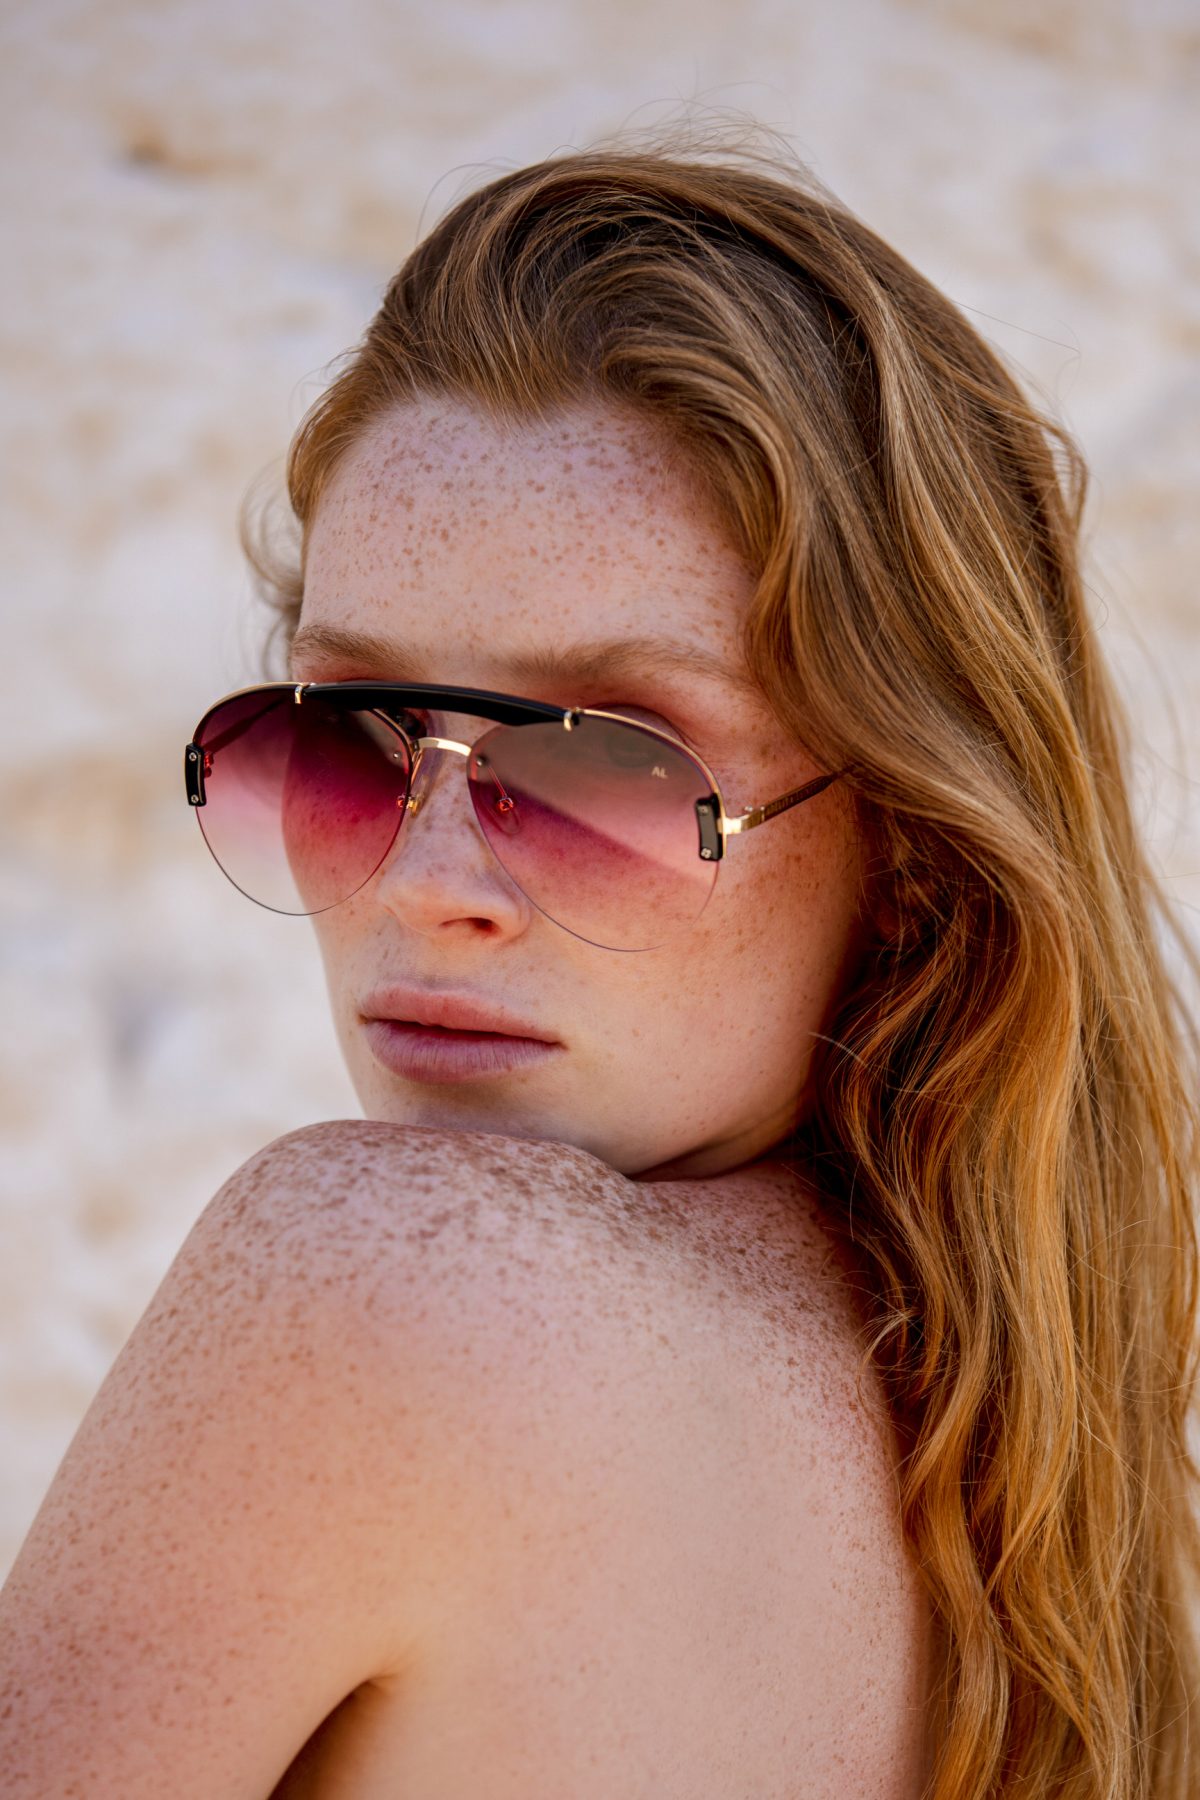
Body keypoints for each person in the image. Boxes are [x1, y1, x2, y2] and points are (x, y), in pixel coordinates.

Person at [2, 133, 1198, 1800]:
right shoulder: (1075, 1496)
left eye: (603, 767)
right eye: (347, 740)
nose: (429, 887)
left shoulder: (377, 1286)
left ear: (914, 847)